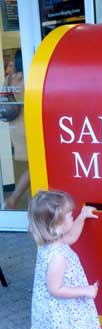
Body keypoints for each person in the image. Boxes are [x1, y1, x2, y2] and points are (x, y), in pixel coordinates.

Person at [28, 190, 102, 329]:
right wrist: (86, 290)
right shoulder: (58, 256)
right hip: (61, 311)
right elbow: (56, 288)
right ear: (57, 225)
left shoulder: (51, 243)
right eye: (70, 214)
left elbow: (71, 236)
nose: (73, 215)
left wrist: (82, 216)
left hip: (52, 312)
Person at [5, 49, 30, 210]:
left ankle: (20, 200)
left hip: (15, 128)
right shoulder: (29, 79)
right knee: (35, 165)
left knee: (28, 165)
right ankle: (15, 198)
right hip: (29, 126)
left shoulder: (8, 80)